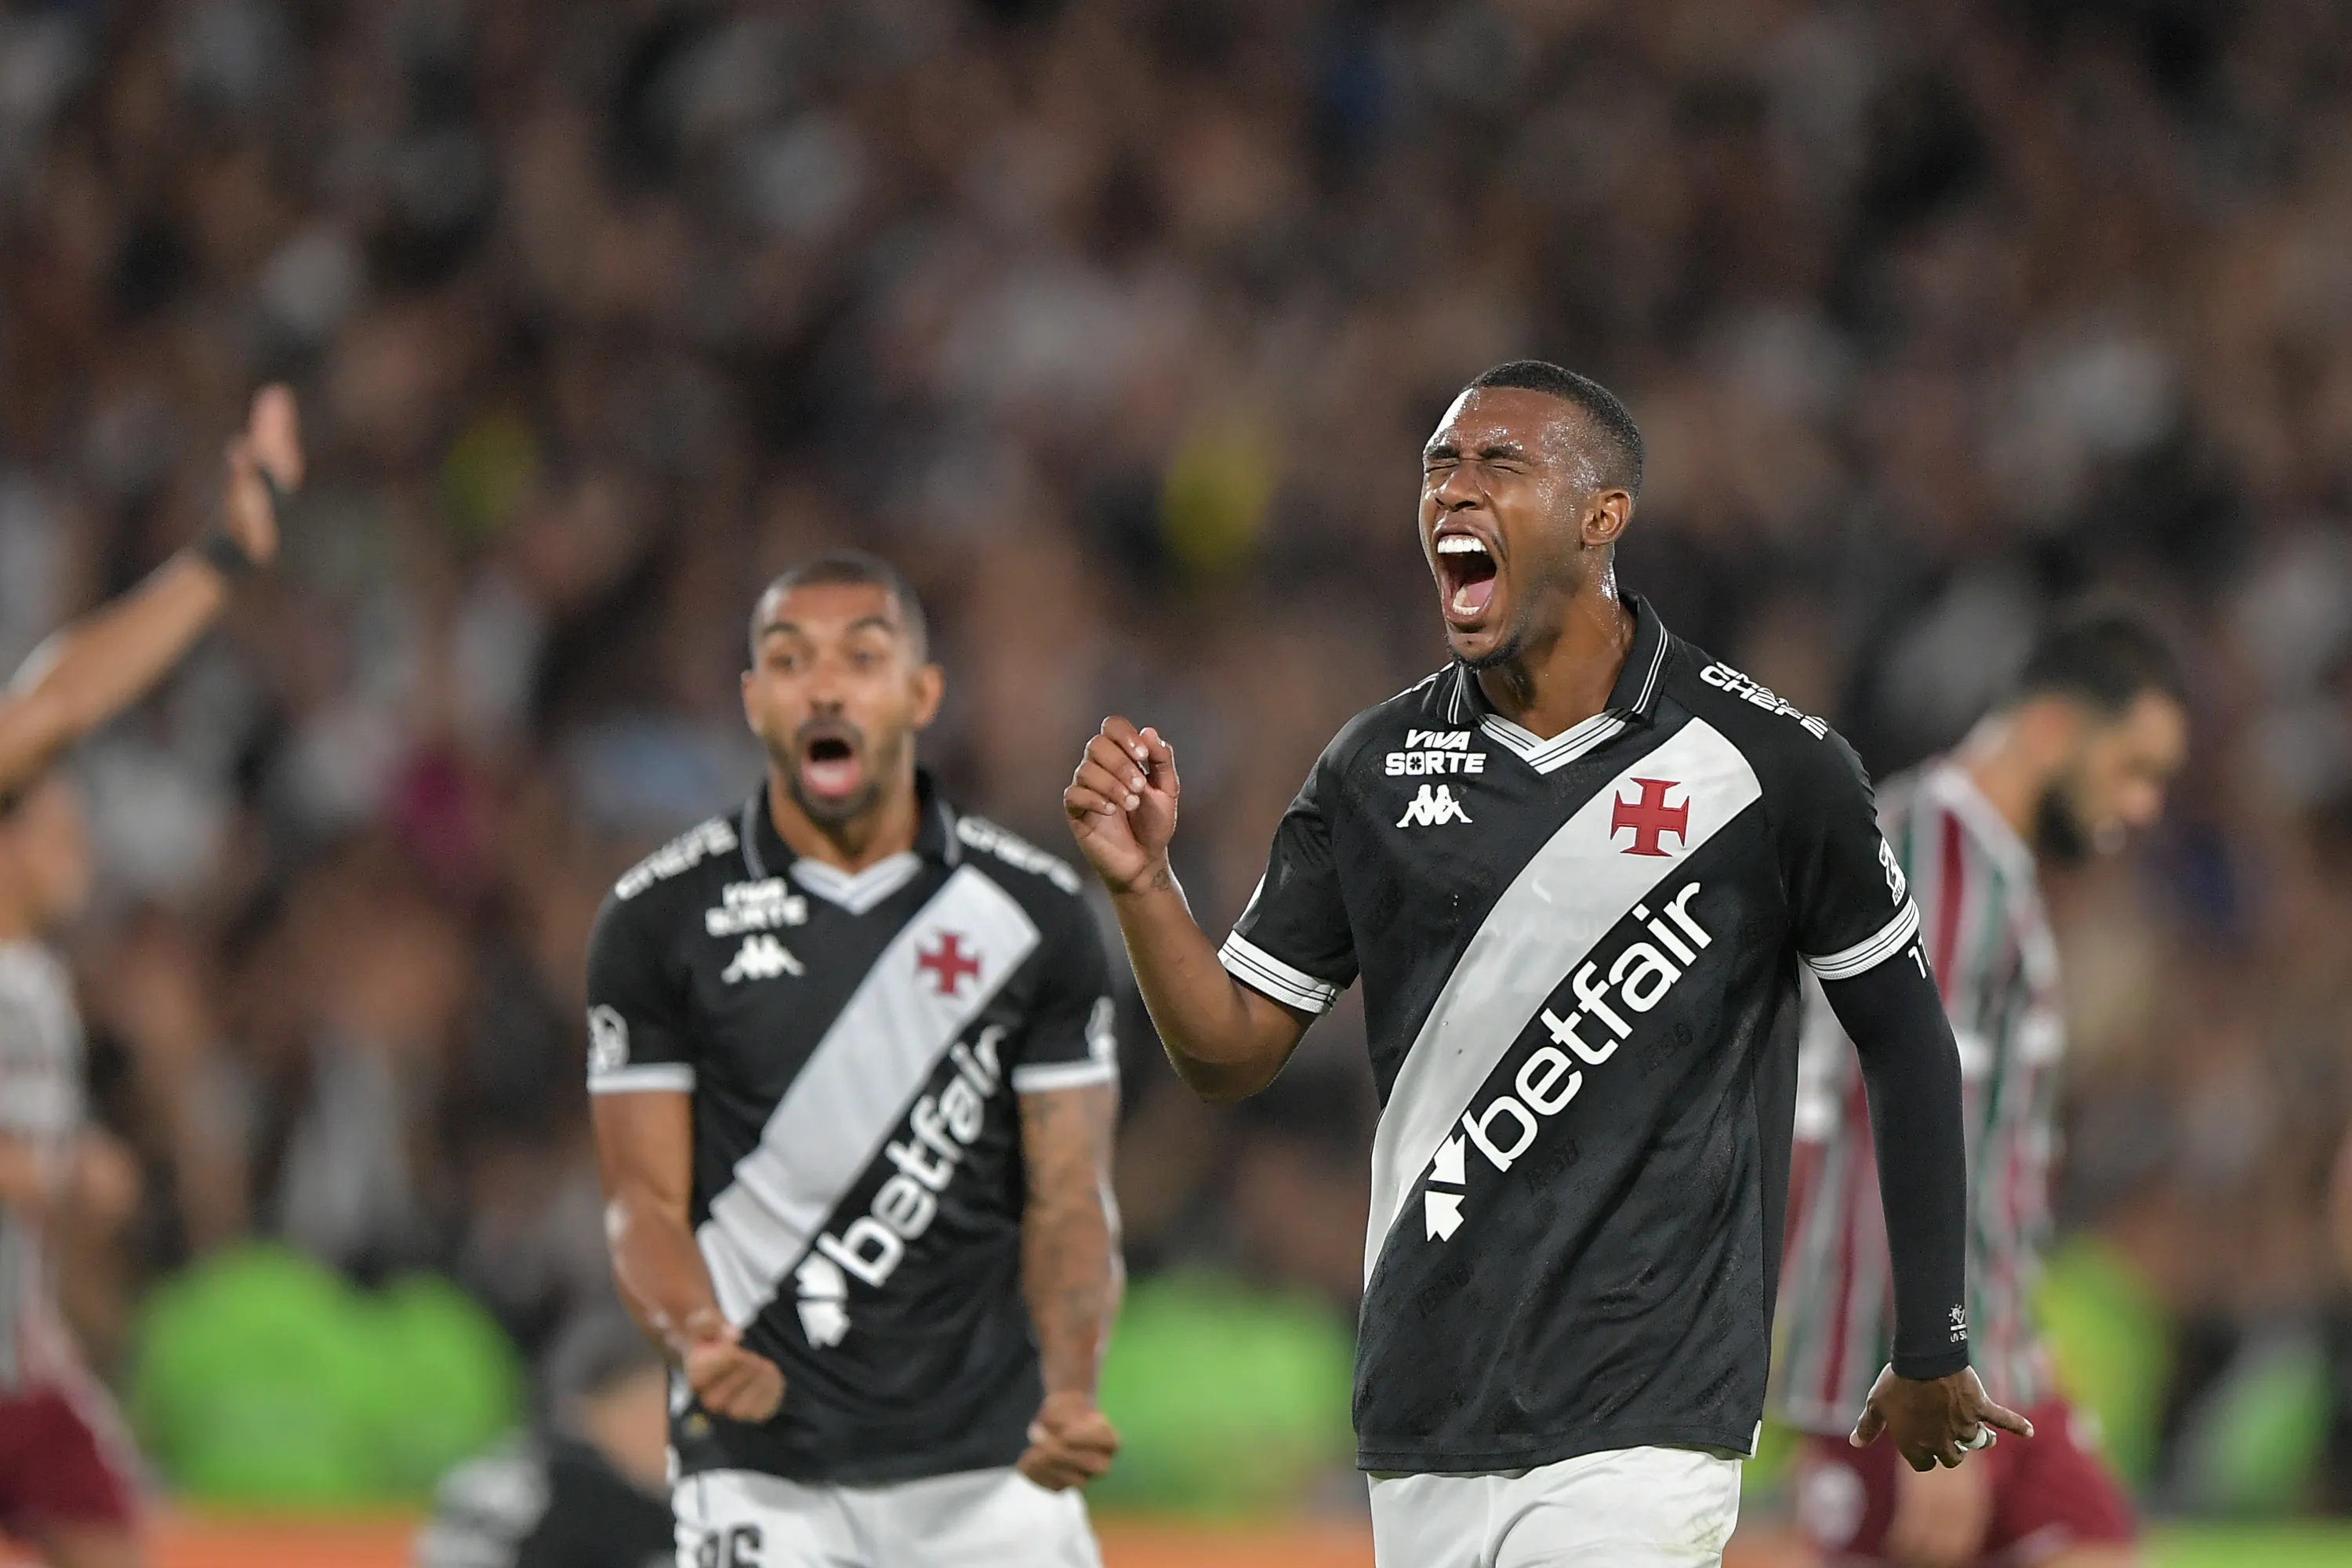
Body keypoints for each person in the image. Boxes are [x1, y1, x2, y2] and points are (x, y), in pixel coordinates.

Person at [1063, 360, 2024, 1568]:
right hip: (1422, 1406)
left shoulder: (1772, 767)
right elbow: (1229, 1052)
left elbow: (1906, 1038)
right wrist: (1145, 886)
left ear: (1600, 516)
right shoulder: (1372, 770)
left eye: (1496, 464)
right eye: (1437, 468)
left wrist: (1933, 1335)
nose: (1452, 491)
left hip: (1645, 1417)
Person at [587, 551, 1124, 1568]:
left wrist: (1073, 1386)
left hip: (990, 1477)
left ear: (922, 693)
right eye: (789, 661)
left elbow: (1069, 1196)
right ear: (753, 700)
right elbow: (640, 1205)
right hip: (761, 1472)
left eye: (862, 658)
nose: (825, 686)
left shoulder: (1034, 916)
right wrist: (699, 1337)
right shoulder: (658, 921)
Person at [1774, 613, 2188, 1568]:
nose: (2146, 801)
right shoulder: (1943, 859)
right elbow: (1907, 1114)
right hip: (1904, 1368)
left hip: (1990, 1358)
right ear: (2050, 728)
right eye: (2132, 765)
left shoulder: (1968, 859)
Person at [0, 389, 300, 1568]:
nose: (81, 842)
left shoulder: (32, 985)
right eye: (54, 820)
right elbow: (58, 699)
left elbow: (57, 699)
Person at [414, 1307, 677, 1568]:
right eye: (651, 1411)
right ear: (584, 1411)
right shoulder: (558, 1496)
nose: (670, 1433)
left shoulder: (659, 1499)